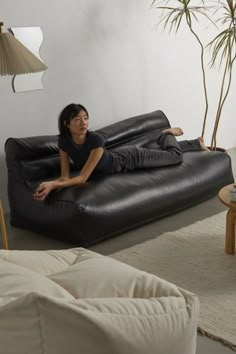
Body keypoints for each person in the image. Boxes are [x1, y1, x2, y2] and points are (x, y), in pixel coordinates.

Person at [33, 103, 209, 201]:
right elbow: (65, 177)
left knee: (174, 157)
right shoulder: (64, 142)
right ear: (67, 124)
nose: (83, 123)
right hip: (121, 157)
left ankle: (166, 134)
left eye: (85, 118)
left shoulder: (95, 140)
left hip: (132, 159)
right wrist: (49, 187)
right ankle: (195, 143)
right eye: (77, 119)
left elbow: (82, 178)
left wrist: (53, 184)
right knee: (161, 155)